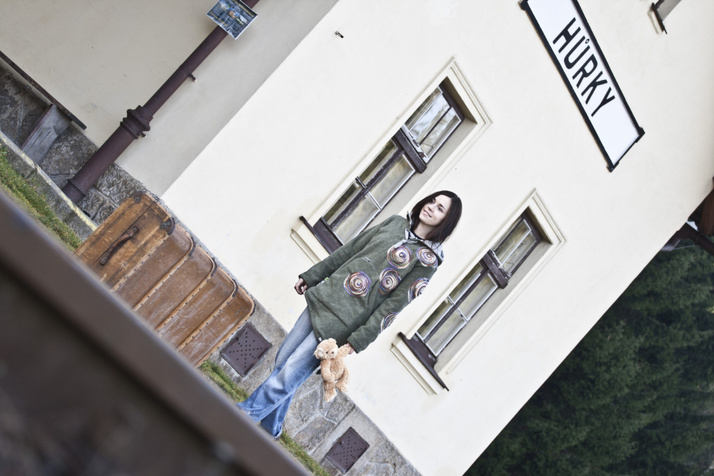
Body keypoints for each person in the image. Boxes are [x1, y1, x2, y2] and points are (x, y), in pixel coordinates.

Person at [237, 191, 462, 438]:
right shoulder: (396, 223)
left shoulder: (428, 262)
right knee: (282, 363)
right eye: (432, 201)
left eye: (440, 209)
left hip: (343, 325)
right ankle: (271, 428)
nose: (431, 207)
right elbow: (350, 250)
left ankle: (240, 418)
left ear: (446, 221)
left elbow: (393, 307)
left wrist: (360, 339)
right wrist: (313, 276)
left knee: (289, 373)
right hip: (325, 298)